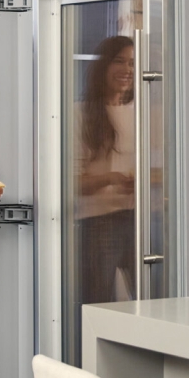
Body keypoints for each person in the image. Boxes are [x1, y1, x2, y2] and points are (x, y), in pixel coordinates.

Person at [73, 35, 137, 306]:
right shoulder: (80, 114)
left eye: (133, 63)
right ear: (103, 68)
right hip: (99, 222)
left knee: (158, 303)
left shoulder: (145, 111)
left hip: (144, 220)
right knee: (98, 305)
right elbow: (71, 183)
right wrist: (111, 179)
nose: (127, 70)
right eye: (119, 61)